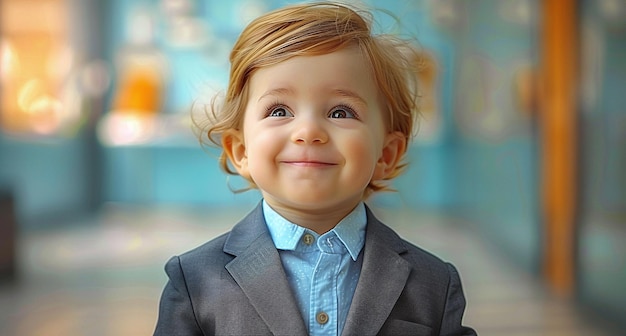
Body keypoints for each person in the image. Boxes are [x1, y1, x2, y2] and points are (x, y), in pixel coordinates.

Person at [154, 2, 476, 335]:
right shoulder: (195, 281)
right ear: (241, 151)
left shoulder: (433, 284)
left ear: (386, 154)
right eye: (279, 110)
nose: (308, 131)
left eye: (340, 112)